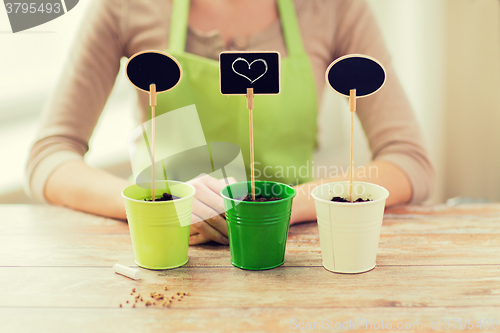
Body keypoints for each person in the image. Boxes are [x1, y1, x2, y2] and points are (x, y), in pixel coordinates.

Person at [25, 0, 434, 245]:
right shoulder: (125, 7)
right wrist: (162, 206)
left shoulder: (334, 7)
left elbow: (409, 162)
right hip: (169, 257)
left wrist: (284, 206)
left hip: (292, 255)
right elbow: (50, 156)